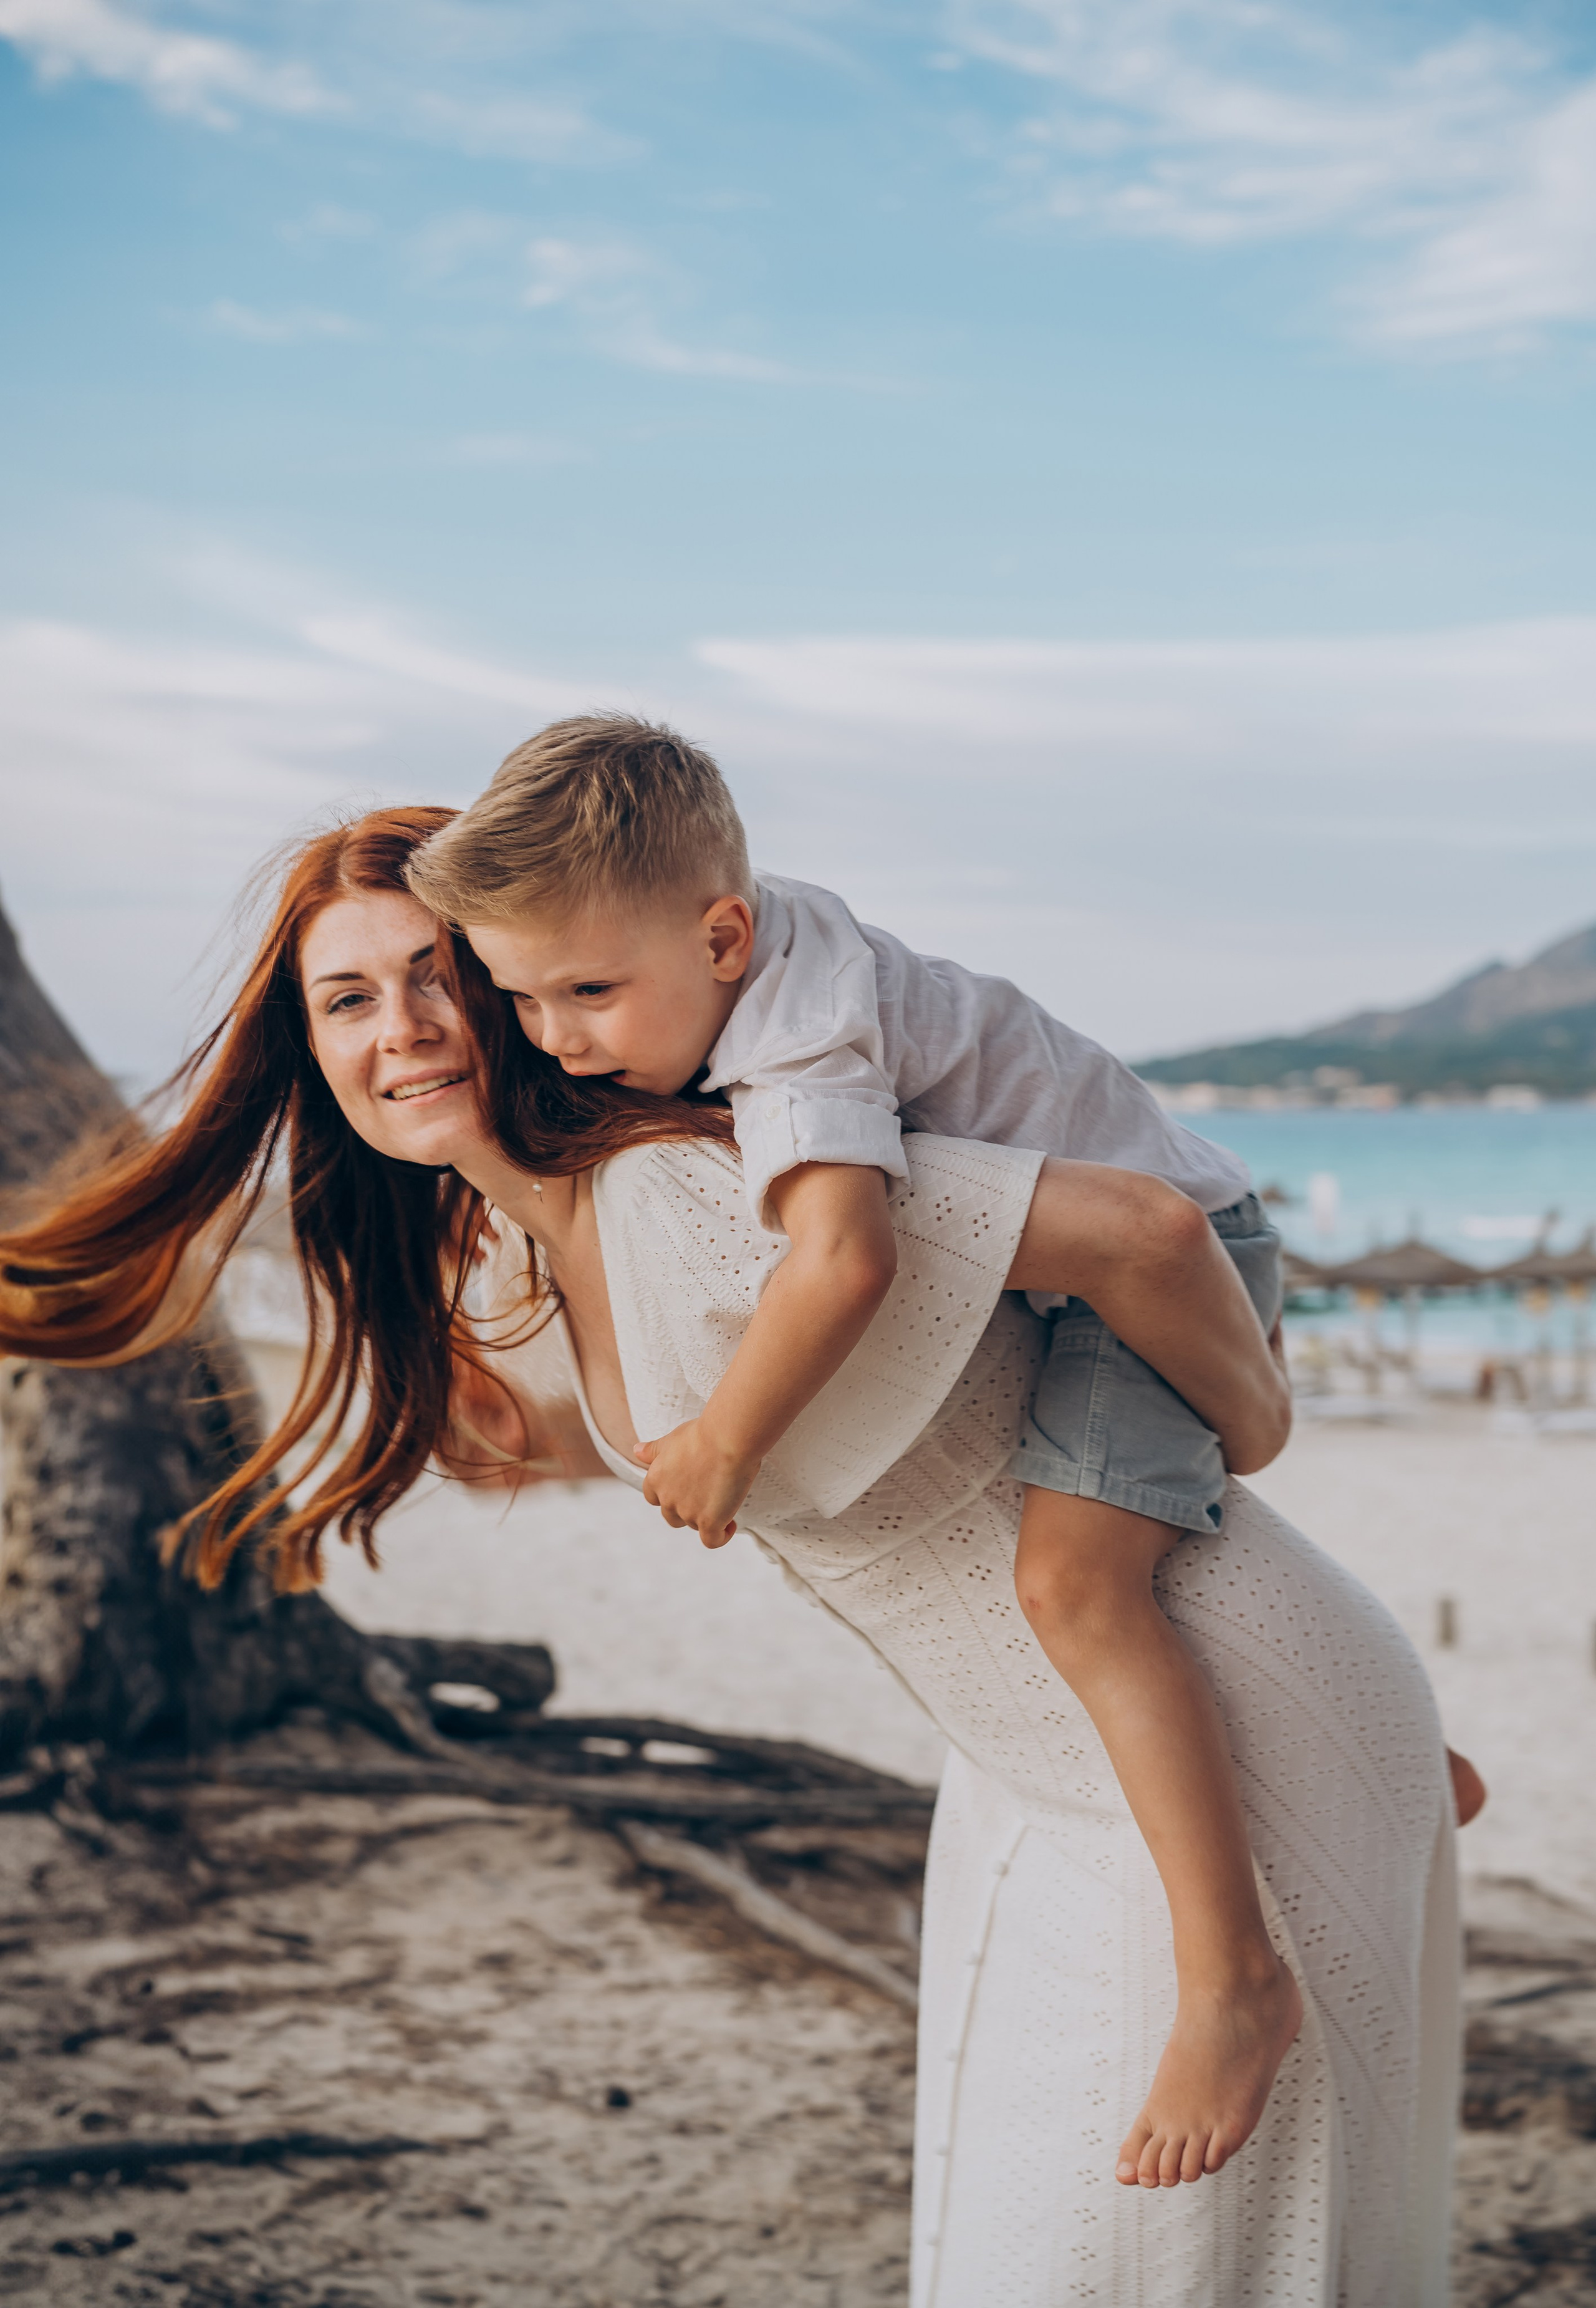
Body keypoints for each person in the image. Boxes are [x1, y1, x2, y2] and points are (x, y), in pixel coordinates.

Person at [0, 809, 1470, 2302]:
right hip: (1039, 1773)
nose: (410, 1028)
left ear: (523, 982)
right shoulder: (537, 1239)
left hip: (1226, 1750)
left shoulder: (699, 1187)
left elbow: (1146, 1236)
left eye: (437, 974)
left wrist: (1258, 1419)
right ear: (308, 1049)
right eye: (350, 999)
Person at [402, 716, 1299, 2186]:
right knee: (1182, 1577)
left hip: (1170, 1273)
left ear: (722, 935)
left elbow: (843, 1264)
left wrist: (724, 1443)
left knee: (1076, 1590)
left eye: (588, 994)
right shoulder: (735, 952)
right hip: (1102, 1271)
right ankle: (1417, 1756)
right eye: (524, 1001)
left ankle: (1233, 1987)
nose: (558, 1037)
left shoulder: (797, 1041)